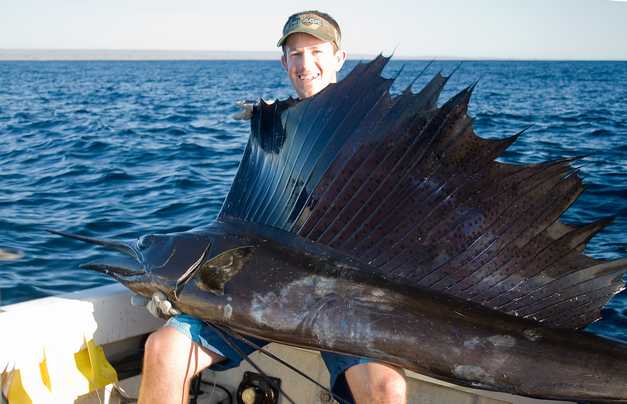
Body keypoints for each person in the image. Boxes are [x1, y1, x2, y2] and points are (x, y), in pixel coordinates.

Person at [138, 11, 408, 404]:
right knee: (164, 350)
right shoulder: (273, 126)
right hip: (264, 289)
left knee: (387, 389)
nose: (305, 64)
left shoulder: (378, 126)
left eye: (316, 51)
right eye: (295, 54)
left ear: (339, 57)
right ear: (284, 63)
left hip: (346, 296)